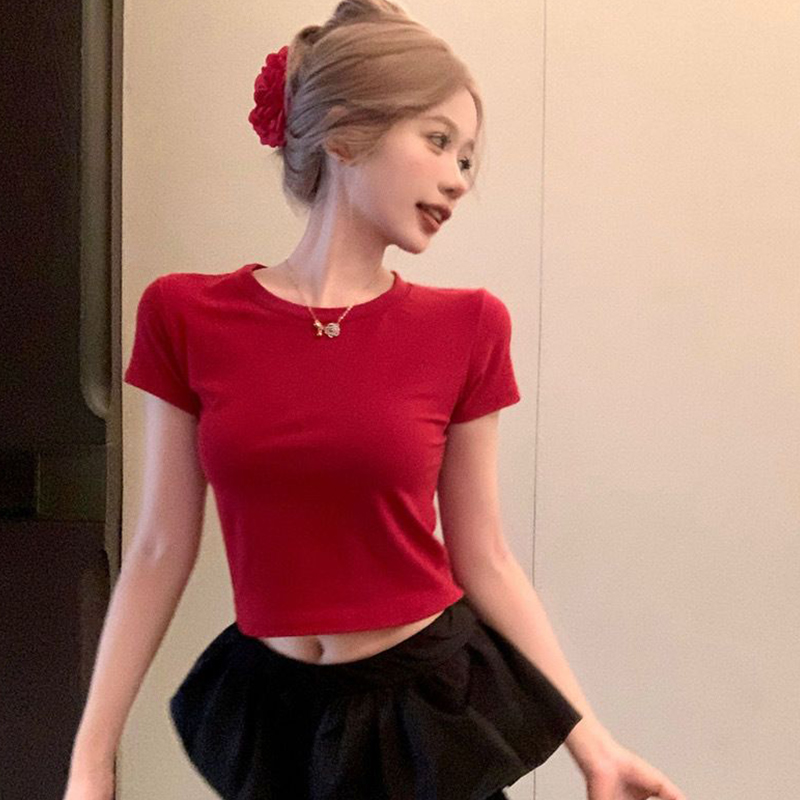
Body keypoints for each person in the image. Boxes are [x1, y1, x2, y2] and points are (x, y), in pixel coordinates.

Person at [64, 1, 688, 798]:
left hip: (424, 714)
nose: (459, 177)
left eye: (468, 156)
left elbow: (487, 557)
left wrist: (595, 749)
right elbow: (157, 548)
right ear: (345, 131)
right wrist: (92, 760)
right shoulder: (185, 315)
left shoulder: (468, 326)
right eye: (438, 141)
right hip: (276, 719)